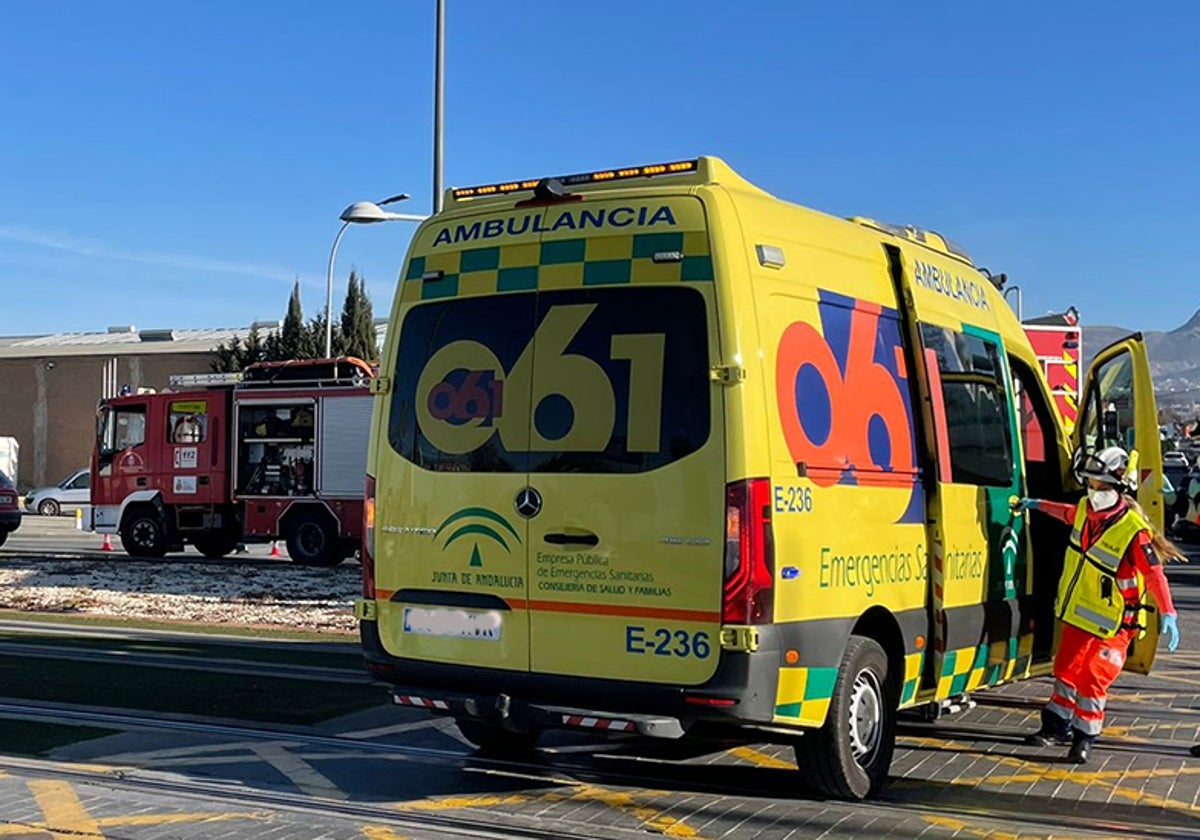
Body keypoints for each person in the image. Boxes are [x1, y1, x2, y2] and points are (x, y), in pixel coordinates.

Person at [1015, 445, 1182, 765]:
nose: (1094, 492)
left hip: (1117, 622)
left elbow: (1154, 575)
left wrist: (1169, 612)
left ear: (1118, 489)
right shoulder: (1083, 510)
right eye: (1091, 485)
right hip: (1080, 613)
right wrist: (1036, 505)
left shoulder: (1133, 531)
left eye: (1101, 487)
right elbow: (1064, 512)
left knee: (1093, 676)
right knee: (1065, 670)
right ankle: (1055, 726)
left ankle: (1084, 738)